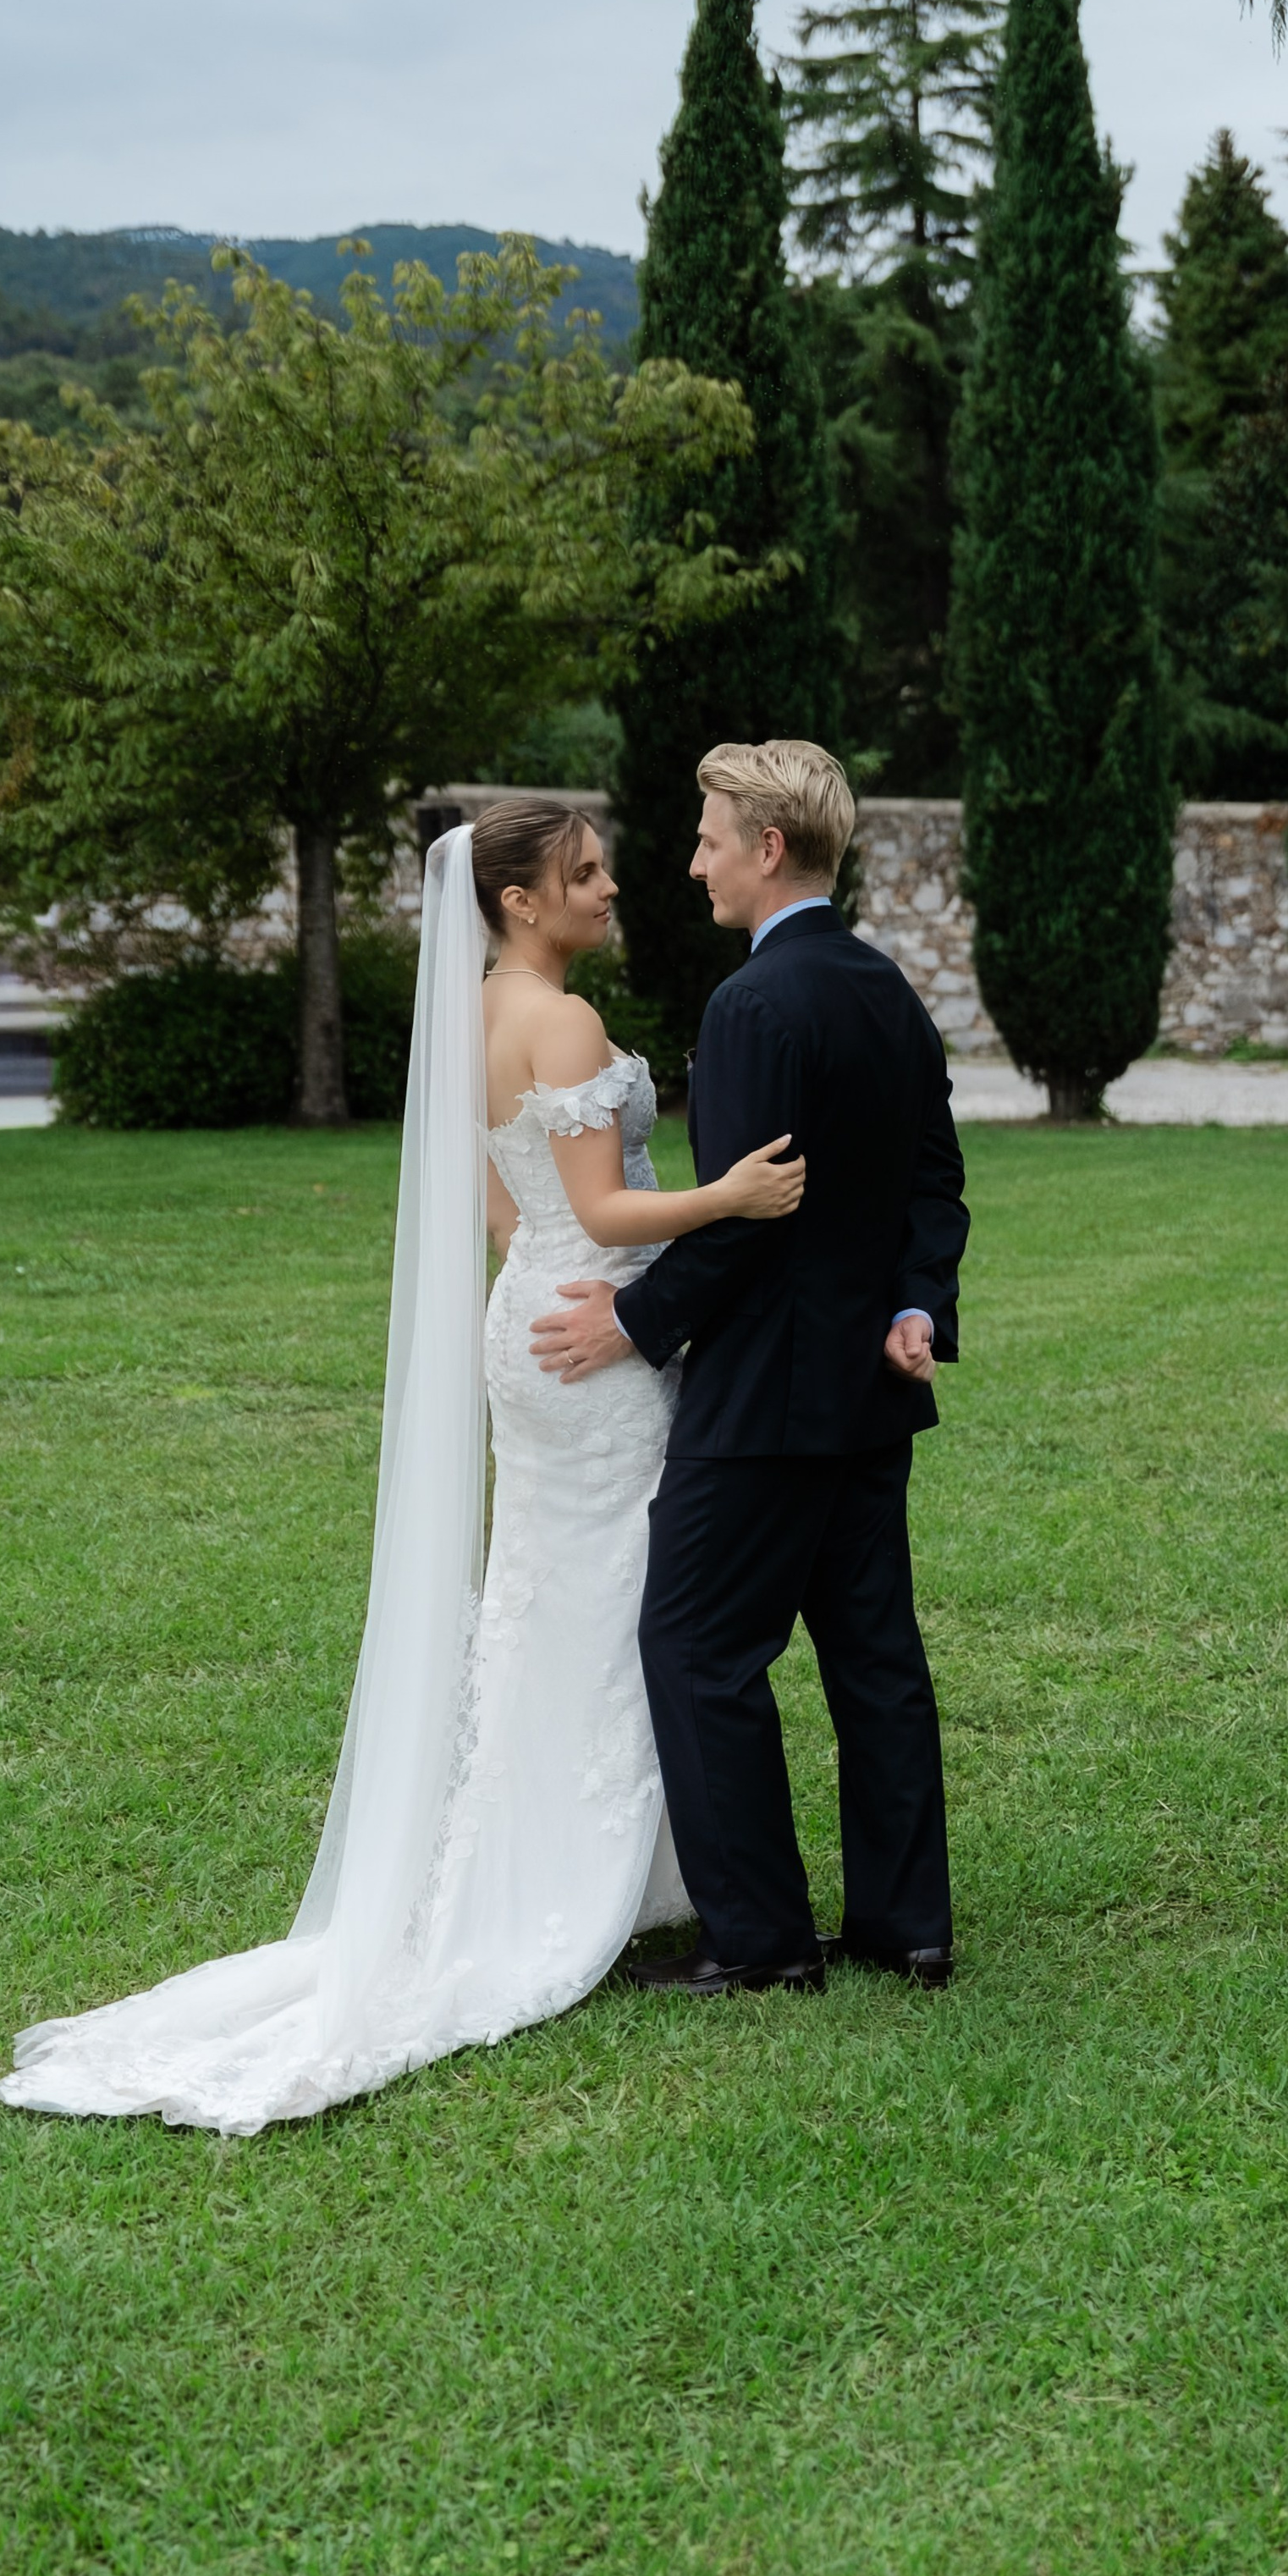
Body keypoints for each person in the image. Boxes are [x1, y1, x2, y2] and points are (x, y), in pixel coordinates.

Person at [0, 799, 803, 2133]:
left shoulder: (472, 1016)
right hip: (596, 1340)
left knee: (554, 1588)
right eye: (584, 872)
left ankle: (582, 1856)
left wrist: (557, 1267)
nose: (612, 886)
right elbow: (604, 1208)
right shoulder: (563, 1021)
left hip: (533, 1321)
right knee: (613, 1597)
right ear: (520, 901)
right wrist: (727, 1200)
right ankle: (578, 1874)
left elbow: (504, 1208)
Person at [531, 740, 969, 1994]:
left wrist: (633, 1321)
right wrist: (916, 1301)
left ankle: (763, 1943)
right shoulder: (888, 989)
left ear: (769, 849)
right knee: (875, 1661)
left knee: (693, 1647)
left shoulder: (753, 1005)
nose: (694, 865)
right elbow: (934, 1181)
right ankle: (907, 1926)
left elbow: (744, 1216)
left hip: (765, 1399)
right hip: (870, 1393)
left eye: (710, 840)